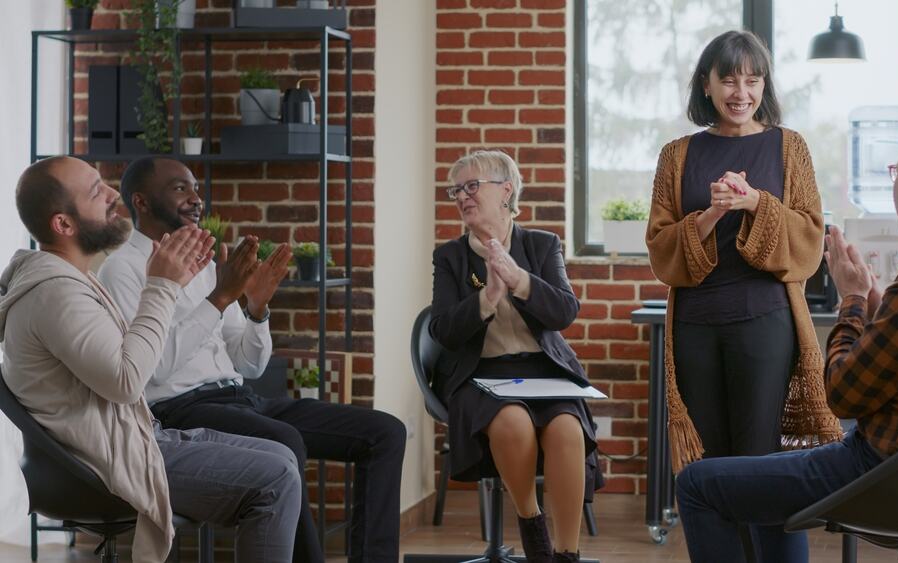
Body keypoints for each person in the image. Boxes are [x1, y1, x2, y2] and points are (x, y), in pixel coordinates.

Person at [674, 125, 898, 562]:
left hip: (889, 477)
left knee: (696, 483)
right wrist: (879, 301)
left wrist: (851, 299)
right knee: (769, 483)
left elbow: (842, 396)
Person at [98, 157, 406, 563]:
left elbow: (248, 365)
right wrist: (220, 298)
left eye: (196, 189)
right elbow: (149, 372)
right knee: (283, 440)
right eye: (180, 189)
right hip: (178, 412)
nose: (195, 199)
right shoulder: (122, 269)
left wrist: (257, 308)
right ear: (140, 201)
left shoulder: (206, 267)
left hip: (240, 398)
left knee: (384, 432)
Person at [0, 156, 302, 563]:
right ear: (63, 225)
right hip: (100, 461)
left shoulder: (72, 281)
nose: (112, 196)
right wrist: (162, 285)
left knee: (281, 455)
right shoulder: (57, 294)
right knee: (277, 477)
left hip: (130, 436)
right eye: (95, 192)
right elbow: (128, 381)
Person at [645, 29, 841, 557]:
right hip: (694, 328)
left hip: (765, 323)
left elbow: (809, 238)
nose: (742, 91)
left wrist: (756, 202)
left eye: (753, 80)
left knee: (764, 462)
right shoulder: (677, 155)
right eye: (728, 79)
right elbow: (661, 250)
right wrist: (709, 215)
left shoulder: (788, 146)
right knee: (708, 465)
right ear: (705, 85)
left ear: (764, 85)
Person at [430, 150, 602, 563]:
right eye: (457, 190)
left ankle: (567, 553)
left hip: (543, 371)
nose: (462, 196)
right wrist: (487, 298)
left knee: (566, 430)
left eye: (472, 186)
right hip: (480, 375)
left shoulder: (542, 245)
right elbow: (443, 333)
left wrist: (519, 280)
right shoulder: (450, 257)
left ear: (506, 190)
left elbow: (564, 312)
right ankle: (533, 530)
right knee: (513, 423)